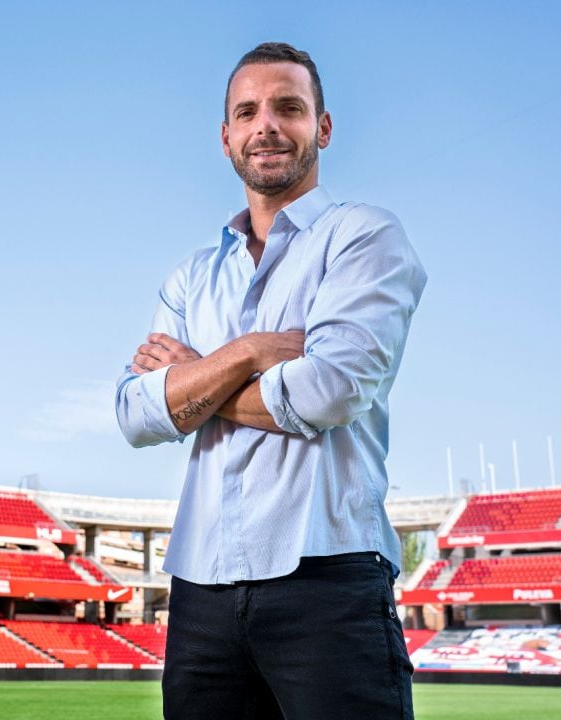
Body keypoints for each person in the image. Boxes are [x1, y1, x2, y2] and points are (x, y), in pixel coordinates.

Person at [115, 42, 427, 719]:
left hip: (329, 578)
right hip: (201, 589)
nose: (267, 126)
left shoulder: (363, 236)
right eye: (247, 111)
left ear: (323, 127)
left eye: (289, 107)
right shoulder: (191, 276)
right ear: (226, 136)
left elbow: (330, 392)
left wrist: (191, 382)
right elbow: (136, 415)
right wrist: (254, 350)